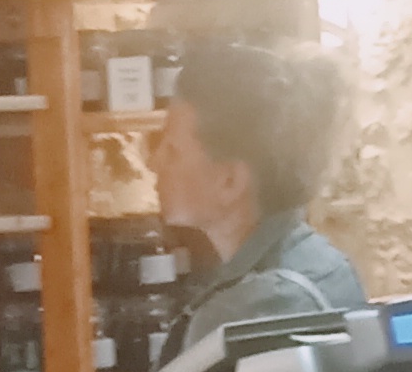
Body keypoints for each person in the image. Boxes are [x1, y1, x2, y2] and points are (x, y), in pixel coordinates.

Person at [156, 38, 364, 347]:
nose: (153, 161)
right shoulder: (330, 266)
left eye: (172, 151)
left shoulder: (241, 315)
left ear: (229, 182)